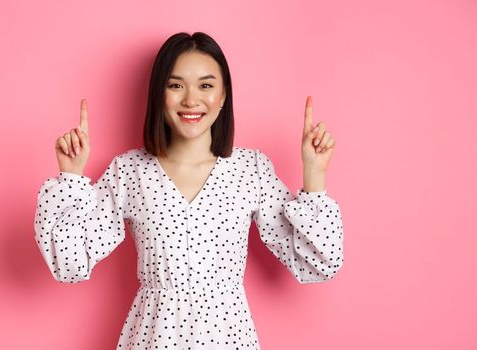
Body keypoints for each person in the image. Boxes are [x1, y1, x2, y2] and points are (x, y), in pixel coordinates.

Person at [34, 32, 343, 349]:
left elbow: (317, 264)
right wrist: (71, 176)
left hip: (228, 339)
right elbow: (68, 263)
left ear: (223, 96)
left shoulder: (251, 170)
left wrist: (314, 174)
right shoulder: (130, 171)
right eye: (175, 85)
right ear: (160, 94)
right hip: (154, 338)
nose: (191, 100)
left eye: (206, 85)